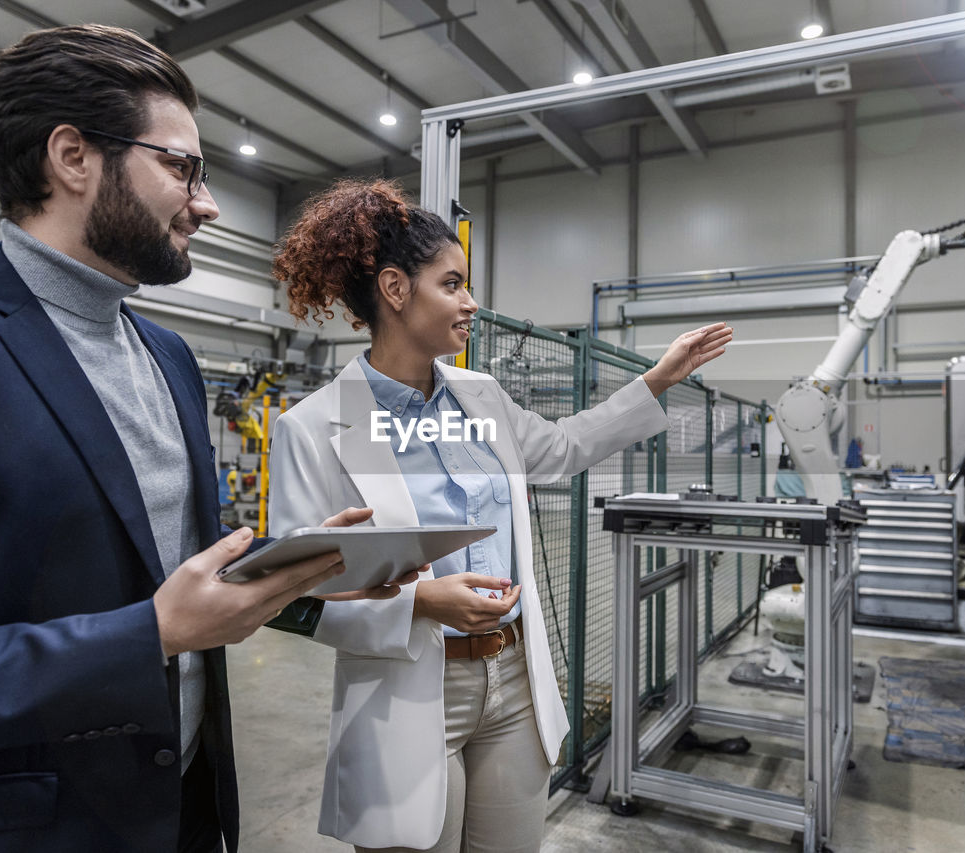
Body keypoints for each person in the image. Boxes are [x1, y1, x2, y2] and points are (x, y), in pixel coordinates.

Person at [0, 26, 412, 853]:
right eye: (182, 168)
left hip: (184, 806)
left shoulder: (166, 354)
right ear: (72, 157)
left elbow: (160, 562)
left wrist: (301, 574)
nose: (206, 204)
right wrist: (149, 637)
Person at [268, 178, 733, 852]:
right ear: (396, 290)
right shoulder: (315, 428)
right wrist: (422, 600)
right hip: (410, 686)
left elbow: (566, 447)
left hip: (514, 681)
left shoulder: (480, 398)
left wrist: (656, 379)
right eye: (452, 284)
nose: (471, 303)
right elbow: (294, 597)